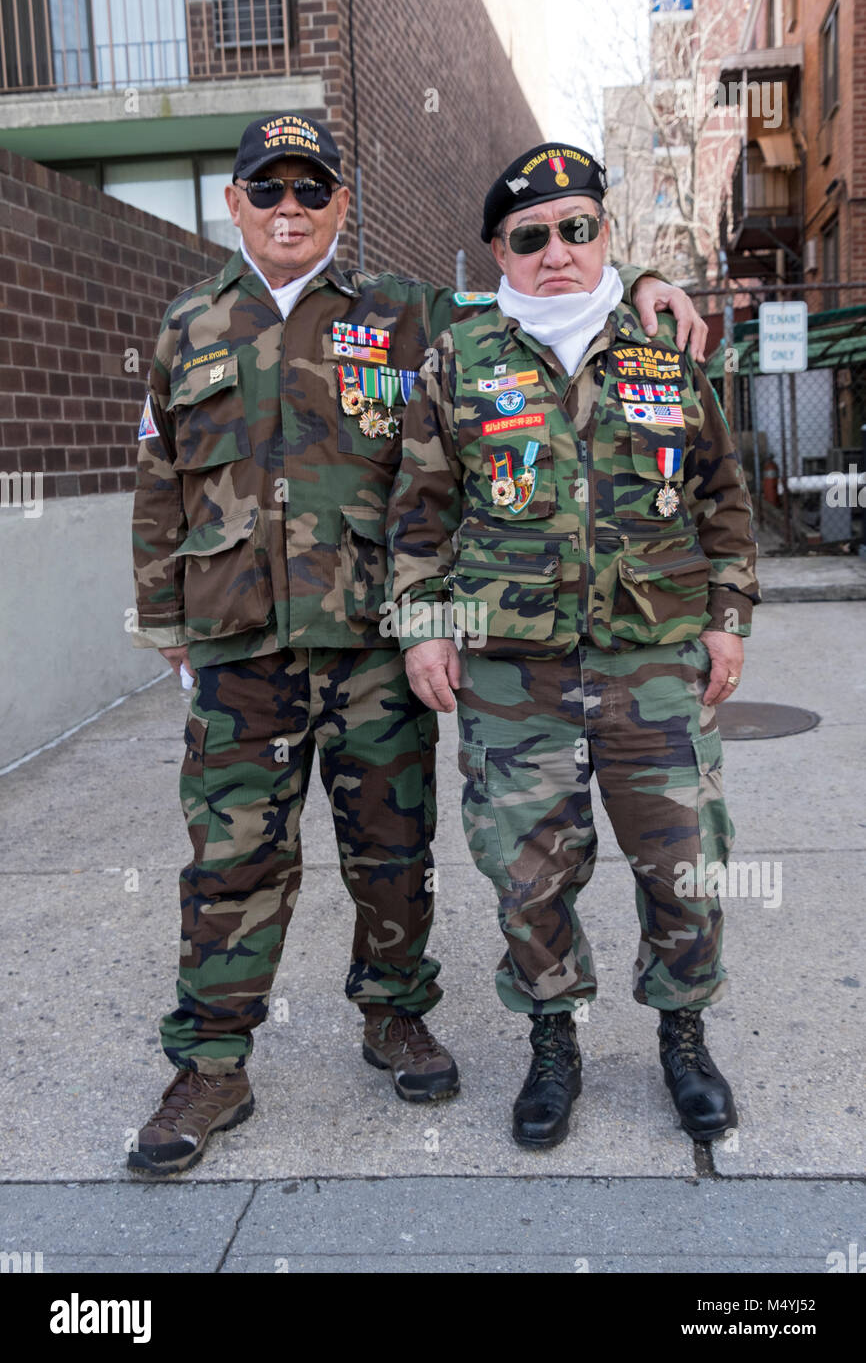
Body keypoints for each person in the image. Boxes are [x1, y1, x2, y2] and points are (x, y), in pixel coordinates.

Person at [128, 115, 710, 1173]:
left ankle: (393, 1016)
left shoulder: (407, 314)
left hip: (369, 645)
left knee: (391, 858)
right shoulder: (185, 327)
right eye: (269, 192)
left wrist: (647, 281)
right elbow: (157, 488)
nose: (290, 211)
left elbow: (544, 296)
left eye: (312, 192)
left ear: (342, 206)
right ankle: (210, 1063)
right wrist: (165, 624)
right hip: (238, 648)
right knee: (229, 864)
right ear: (236, 204)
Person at [387, 142, 760, 1151]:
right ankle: (553, 1040)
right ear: (498, 254)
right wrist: (422, 629)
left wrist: (727, 619)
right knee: (525, 870)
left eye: (577, 228)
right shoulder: (458, 362)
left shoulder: (660, 351)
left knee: (684, 861)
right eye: (529, 236)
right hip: (515, 671)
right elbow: (417, 516)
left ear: (604, 234)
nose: (556, 250)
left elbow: (724, 499)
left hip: (653, 660)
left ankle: (682, 1034)